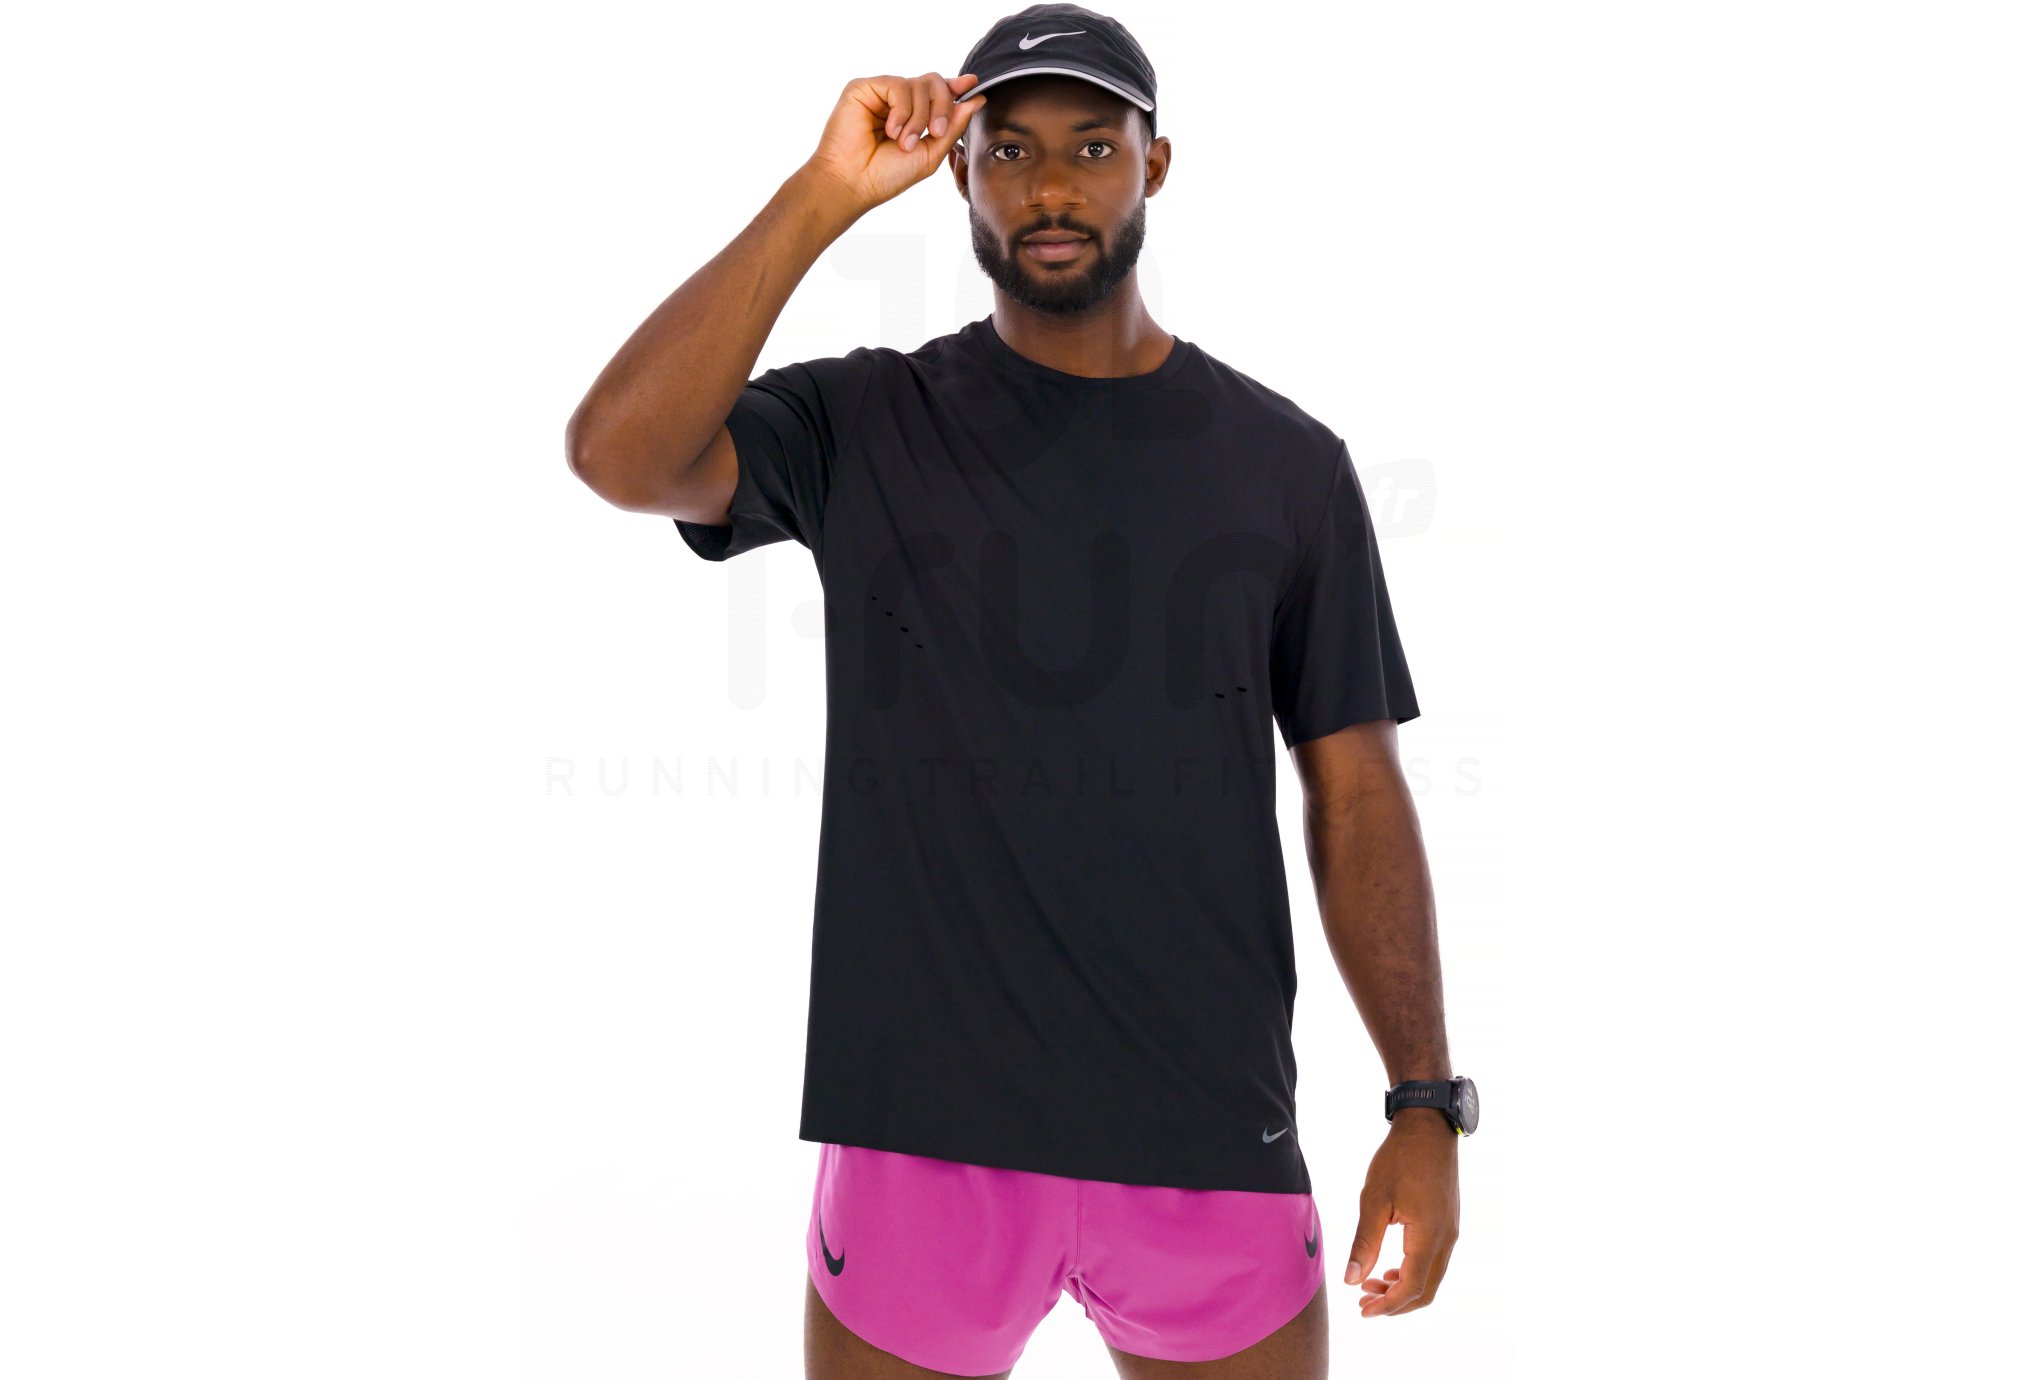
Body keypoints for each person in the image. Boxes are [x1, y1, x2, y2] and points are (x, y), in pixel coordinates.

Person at [566, 6, 1472, 1376]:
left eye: (1092, 147)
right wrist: (822, 194)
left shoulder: (1286, 466)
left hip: (1207, 1136)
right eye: (1009, 150)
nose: (1050, 187)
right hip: (922, 1141)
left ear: (1155, 165)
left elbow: (1355, 790)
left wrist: (1423, 1103)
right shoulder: (865, 422)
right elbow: (619, 454)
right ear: (959, 173)